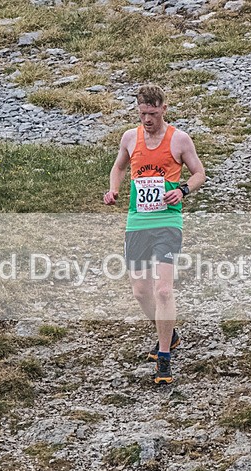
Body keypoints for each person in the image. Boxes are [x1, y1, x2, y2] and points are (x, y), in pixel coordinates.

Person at [104, 84, 206, 384]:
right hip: (138, 222)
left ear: (163, 108)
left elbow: (199, 173)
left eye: (152, 113)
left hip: (167, 222)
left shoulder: (179, 140)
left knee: (163, 290)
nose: (147, 119)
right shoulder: (130, 137)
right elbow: (119, 167)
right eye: (142, 113)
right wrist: (113, 190)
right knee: (140, 291)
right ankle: (169, 334)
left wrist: (183, 190)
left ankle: (164, 358)